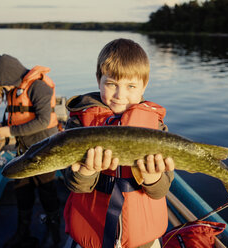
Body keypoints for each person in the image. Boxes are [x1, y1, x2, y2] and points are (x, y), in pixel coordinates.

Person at [63, 38, 175, 248]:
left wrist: (152, 178)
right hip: (91, 235)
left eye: (131, 86)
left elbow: (160, 191)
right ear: (99, 80)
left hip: (142, 241)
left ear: (144, 86)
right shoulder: (78, 124)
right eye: (112, 84)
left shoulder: (156, 128)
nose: (120, 95)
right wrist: (86, 171)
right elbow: (73, 184)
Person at [0, 54, 61, 247]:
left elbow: (43, 120)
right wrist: (3, 125)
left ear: (9, 75)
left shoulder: (38, 87)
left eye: (3, 85)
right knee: (21, 189)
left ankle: (56, 234)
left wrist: (10, 130)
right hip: (23, 151)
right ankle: (23, 232)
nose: (4, 90)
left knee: (47, 191)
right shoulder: (15, 88)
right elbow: (19, 115)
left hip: (44, 149)